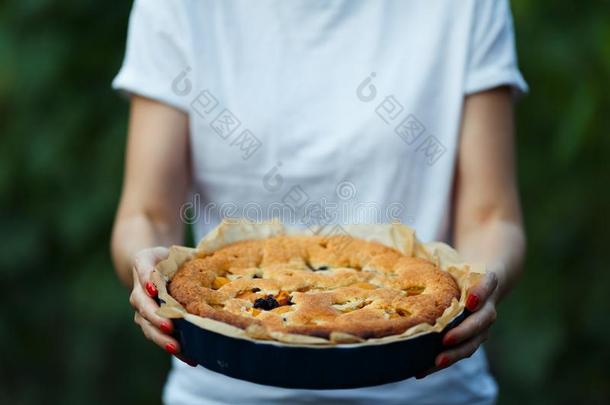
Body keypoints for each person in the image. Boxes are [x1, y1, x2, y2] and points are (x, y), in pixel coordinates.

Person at [111, 1, 527, 403]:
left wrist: (479, 283)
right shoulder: (180, 7)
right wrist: (150, 271)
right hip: (222, 383)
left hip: (429, 385)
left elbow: (491, 218)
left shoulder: (464, 7)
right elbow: (147, 214)